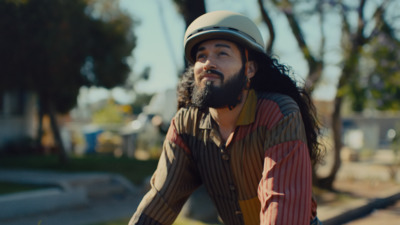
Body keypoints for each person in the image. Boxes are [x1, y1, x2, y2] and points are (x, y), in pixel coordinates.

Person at [129, 10, 323, 225]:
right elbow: (161, 200)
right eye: (201, 56)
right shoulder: (185, 124)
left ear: (249, 69)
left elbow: (281, 204)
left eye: (222, 53)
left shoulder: (278, 113)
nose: (208, 63)